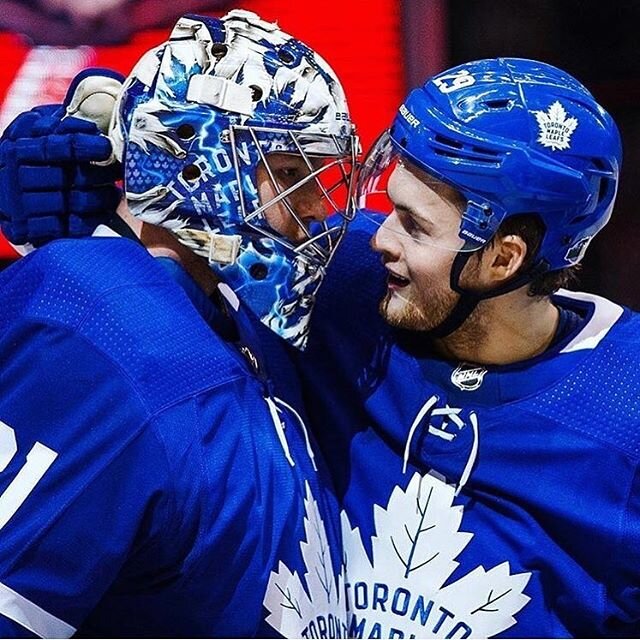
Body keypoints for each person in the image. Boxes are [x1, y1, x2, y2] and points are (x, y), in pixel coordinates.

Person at [3, 57, 634, 638]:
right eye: (391, 206)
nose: (375, 237)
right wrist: (71, 167)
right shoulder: (347, 278)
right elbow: (195, 211)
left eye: (414, 225)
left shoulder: (625, 406)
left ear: (503, 258)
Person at [0, 9, 359, 638]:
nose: (314, 211)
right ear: (199, 166)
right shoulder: (101, 339)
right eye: (291, 174)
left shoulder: (242, 328)